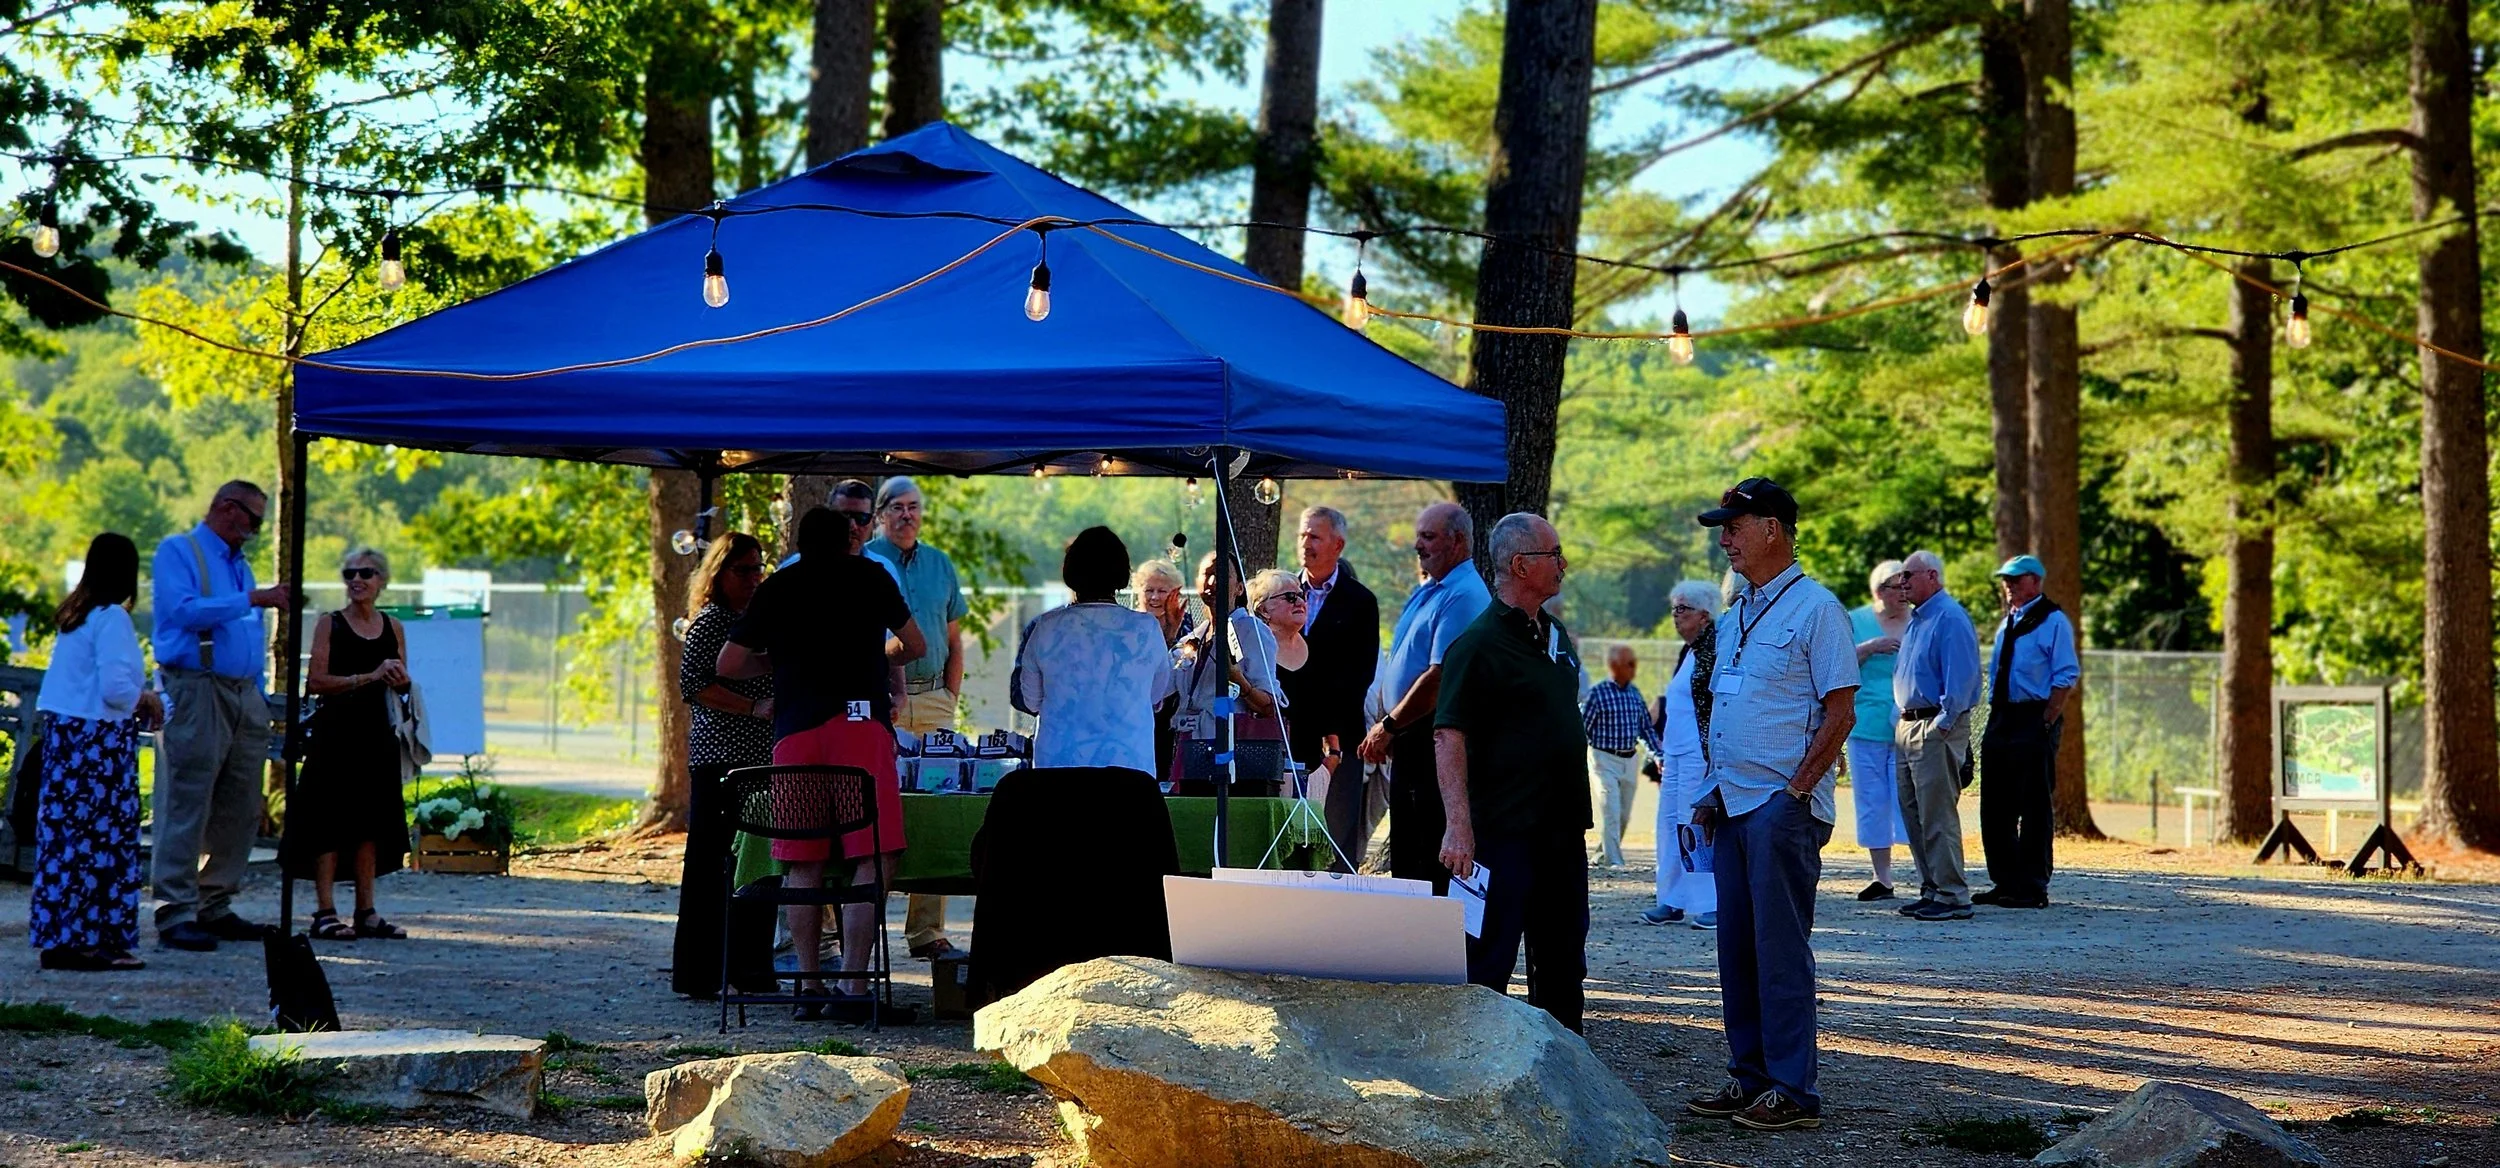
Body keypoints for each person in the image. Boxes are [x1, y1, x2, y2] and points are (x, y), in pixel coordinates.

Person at [1684, 477, 1855, 1133]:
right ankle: (1750, 1077)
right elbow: (1732, 706)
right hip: (1732, 805)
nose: (1723, 539)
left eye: (1733, 525)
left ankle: (1793, 1089)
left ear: (1773, 529)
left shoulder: (1817, 610)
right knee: (1738, 951)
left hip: (1780, 807)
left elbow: (1839, 711)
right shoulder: (1739, 615)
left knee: (1780, 953)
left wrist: (1796, 792)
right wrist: (1710, 793)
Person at [719, 505, 926, 1021]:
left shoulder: (778, 587)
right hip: (860, 729)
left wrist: (780, 659)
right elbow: (915, 646)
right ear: (851, 538)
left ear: (799, 541)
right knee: (873, 854)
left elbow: (729, 664)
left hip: (797, 734)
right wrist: (881, 655)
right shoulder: (871, 575)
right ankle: (855, 986)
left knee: (802, 861)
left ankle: (809, 985)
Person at [1432, 513, 1590, 1032]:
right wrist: (1459, 826)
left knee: (1563, 959)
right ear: (1522, 565)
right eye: (1554, 555)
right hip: (1502, 832)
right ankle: (1476, 1072)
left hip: (1561, 829)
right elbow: (1447, 735)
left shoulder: (1555, 634)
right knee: (1487, 960)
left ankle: (1568, 1073)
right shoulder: (1477, 645)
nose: (1563, 564)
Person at [150, 480, 296, 952]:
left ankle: (215, 902)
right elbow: (183, 612)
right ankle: (175, 910)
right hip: (197, 688)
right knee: (187, 797)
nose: (255, 531)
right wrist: (253, 599)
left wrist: (256, 690)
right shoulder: (180, 551)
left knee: (240, 804)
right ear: (226, 509)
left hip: (243, 693)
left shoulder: (240, 565)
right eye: (253, 520)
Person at [29, 533, 162, 971]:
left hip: (66, 739)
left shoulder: (76, 617)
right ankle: (95, 939)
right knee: (102, 840)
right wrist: (146, 699)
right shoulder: (111, 619)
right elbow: (115, 689)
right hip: (98, 743)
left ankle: (63, 937)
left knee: (66, 843)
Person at [1355, 502, 1488, 894]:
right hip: (1408, 735)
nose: (1418, 545)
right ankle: (1412, 939)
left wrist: (1390, 724)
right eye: (1418, 535)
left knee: (1426, 845)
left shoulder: (1463, 594)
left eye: (1428, 536)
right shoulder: (1430, 588)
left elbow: (1439, 675)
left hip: (1431, 733)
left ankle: (1432, 943)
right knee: (1408, 844)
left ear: (1458, 541)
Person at [283, 547, 413, 943]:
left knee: (370, 825)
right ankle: (325, 911)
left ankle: (366, 911)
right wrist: (367, 677)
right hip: (335, 736)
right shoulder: (330, 624)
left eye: (366, 573)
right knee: (328, 824)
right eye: (350, 573)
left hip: (377, 737)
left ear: (382, 581)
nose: (357, 580)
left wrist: (398, 681)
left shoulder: (393, 626)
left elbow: (404, 679)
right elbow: (315, 682)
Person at [865, 476, 970, 961]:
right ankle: (856, 923)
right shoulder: (865, 564)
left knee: (937, 804)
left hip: (932, 700)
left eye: (915, 508)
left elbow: (953, 638)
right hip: (874, 701)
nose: (908, 516)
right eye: (898, 508)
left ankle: (926, 931)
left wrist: (950, 692)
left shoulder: (941, 564)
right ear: (881, 514)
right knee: (871, 808)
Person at [671, 531, 779, 998]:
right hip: (720, 762)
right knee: (712, 867)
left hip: (759, 762)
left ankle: (750, 968)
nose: (754, 578)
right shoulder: (711, 622)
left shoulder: (755, 621)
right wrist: (751, 708)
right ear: (719, 574)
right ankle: (701, 971)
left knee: (755, 866)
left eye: (758, 568)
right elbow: (694, 683)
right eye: (743, 570)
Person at [1012, 528, 1177, 774]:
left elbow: (1031, 700)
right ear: (1122, 572)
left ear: (1070, 571)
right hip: (1129, 770)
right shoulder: (1146, 628)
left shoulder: (1045, 627)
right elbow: (1156, 694)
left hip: (1059, 768)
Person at [1977, 554, 2077, 909]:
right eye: (2006, 579)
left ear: (2036, 581)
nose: (2009, 585)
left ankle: (2033, 885)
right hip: (2003, 716)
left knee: (2033, 804)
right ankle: (2005, 880)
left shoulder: (2052, 621)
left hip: (2033, 716)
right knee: (1995, 804)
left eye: (2016, 579)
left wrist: (2046, 721)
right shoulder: (2010, 621)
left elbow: (2065, 676)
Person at [1891, 548, 1983, 922]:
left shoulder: (1949, 617)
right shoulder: (1918, 619)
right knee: (1913, 813)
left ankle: (1952, 894)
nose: (1902, 584)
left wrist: (1941, 725)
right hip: (1908, 725)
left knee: (1937, 814)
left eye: (1908, 577)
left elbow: (1961, 679)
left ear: (1932, 576)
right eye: (1901, 578)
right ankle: (1931, 888)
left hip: (1933, 726)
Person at [1292, 506, 1379, 868]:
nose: (1306, 544)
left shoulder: (1360, 602)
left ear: (1338, 544)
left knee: (1333, 840)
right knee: (1290, 838)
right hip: (1289, 736)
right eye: (1302, 535)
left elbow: (1360, 674)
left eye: (1315, 536)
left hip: (1340, 741)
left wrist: (1328, 731)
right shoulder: (1282, 592)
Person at [1642, 579, 1720, 929]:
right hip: (1673, 754)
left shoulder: (1712, 649)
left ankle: (1710, 901)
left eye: (1683, 609)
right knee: (1668, 824)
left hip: (1698, 754)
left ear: (1705, 616)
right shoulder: (1686, 651)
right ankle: (1671, 899)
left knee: (1695, 827)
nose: (1676, 616)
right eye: (1674, 608)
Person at [1169, 552, 1282, 786]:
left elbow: (1270, 705)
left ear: (1239, 588)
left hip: (1230, 752)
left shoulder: (1251, 631)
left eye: (1220, 575)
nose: (1212, 583)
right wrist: (1170, 634)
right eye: (1207, 575)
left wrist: (1236, 679)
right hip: (1190, 748)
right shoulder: (1193, 637)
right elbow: (1161, 688)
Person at [1844, 559, 1913, 901]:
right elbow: (1839, 663)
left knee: (1911, 800)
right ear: (1879, 591)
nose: (1903, 593)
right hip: (1867, 723)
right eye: (1896, 587)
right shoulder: (1856, 621)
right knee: (1872, 800)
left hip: (1913, 726)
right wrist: (1871, 648)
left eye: (1906, 586)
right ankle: (1881, 878)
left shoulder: (1921, 620)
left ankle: (1926, 875)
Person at [1581, 645, 1659, 869]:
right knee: (1611, 810)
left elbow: (1645, 729)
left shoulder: (1635, 694)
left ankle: (1601, 854)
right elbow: (1584, 728)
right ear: (1614, 666)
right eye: (1629, 664)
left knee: (1623, 815)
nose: (1634, 668)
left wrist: (1658, 756)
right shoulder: (1598, 694)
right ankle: (1615, 861)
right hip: (1603, 759)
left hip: (1629, 758)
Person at [1132, 558, 1192, 775]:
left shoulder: (1187, 627)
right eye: (1149, 590)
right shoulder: (1129, 626)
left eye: (1162, 591)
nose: (1155, 597)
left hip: (1173, 716)